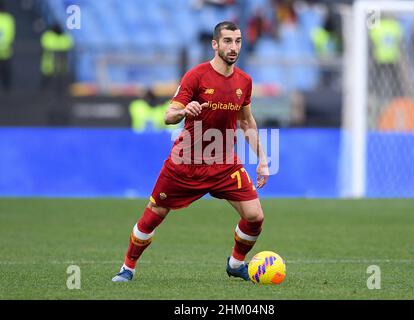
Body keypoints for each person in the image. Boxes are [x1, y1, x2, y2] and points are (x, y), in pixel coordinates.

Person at [112, 21, 269, 282]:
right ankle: (127, 268)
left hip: (224, 163)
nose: (234, 47)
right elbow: (168, 115)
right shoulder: (195, 76)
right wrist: (184, 111)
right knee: (153, 216)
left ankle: (235, 263)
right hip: (186, 162)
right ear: (215, 44)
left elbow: (246, 121)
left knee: (255, 216)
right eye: (228, 41)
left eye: (238, 41)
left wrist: (262, 160)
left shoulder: (245, 81)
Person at [40, 24, 73, 90]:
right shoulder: (49, 36)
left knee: (60, 87)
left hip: (60, 68)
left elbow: (69, 45)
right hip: (49, 67)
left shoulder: (64, 37)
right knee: (47, 86)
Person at [0, 1, 15, 92]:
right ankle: (7, 89)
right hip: (6, 50)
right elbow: (11, 34)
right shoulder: (9, 19)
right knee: (6, 71)